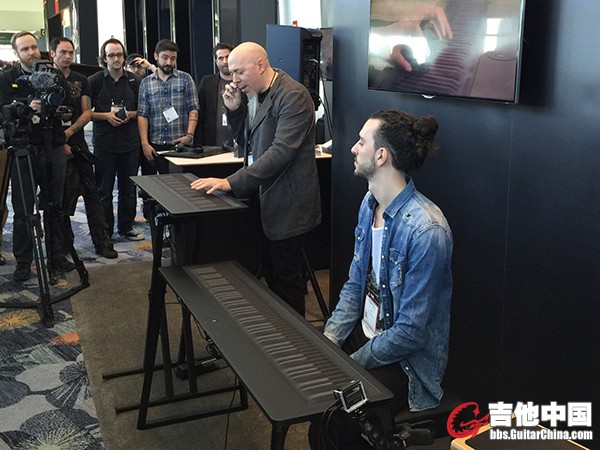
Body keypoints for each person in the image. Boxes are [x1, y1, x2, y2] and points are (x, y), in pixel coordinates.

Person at [307, 110, 453, 449]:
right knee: (313, 387)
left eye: (361, 142)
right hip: (368, 335)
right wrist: (328, 342)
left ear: (381, 155)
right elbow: (355, 284)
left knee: (335, 417)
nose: (353, 148)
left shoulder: (427, 230)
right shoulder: (369, 203)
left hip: (405, 362)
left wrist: (349, 365)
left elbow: (409, 333)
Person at [190, 42, 322, 316]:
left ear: (260, 65)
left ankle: (292, 338)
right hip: (264, 203)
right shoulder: (256, 95)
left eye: (239, 72)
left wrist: (231, 182)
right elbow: (247, 143)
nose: (234, 80)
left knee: (287, 285)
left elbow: (281, 152)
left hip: (288, 208)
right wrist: (235, 110)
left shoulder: (293, 96)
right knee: (270, 280)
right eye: (231, 73)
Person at [0, 31, 74, 281]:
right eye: (25, 49)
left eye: (34, 47)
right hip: (23, 149)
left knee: (55, 205)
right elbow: (4, 111)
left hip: (53, 146)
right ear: (16, 53)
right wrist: (26, 108)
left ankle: (56, 255)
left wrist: (63, 112)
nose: (32, 52)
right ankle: (24, 261)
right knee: (23, 209)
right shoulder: (7, 78)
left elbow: (69, 106)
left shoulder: (53, 73)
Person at [50, 37, 117, 258]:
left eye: (70, 52)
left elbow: (87, 111)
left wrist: (69, 133)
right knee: (62, 199)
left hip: (79, 144)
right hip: (54, 147)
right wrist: (61, 141)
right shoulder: (45, 79)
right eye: (63, 52)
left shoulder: (81, 79)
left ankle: (102, 241)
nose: (67, 56)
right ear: (52, 54)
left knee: (92, 193)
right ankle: (63, 246)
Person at [89, 38, 145, 241]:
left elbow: (144, 110)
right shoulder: (94, 81)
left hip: (129, 143)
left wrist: (130, 114)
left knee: (128, 189)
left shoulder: (135, 81)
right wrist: (106, 116)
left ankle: (126, 227)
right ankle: (106, 231)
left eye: (119, 55)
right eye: (111, 55)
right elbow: (85, 113)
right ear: (104, 58)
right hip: (104, 143)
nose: (116, 59)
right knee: (104, 191)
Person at [137, 39, 199, 175]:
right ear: (155, 56)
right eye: (165, 58)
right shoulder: (146, 83)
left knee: (182, 183)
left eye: (173, 58)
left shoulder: (185, 79)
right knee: (159, 183)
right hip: (156, 144)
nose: (169, 62)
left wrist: (189, 135)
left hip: (181, 144)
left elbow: (193, 108)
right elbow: (142, 114)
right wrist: (145, 143)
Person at [194, 43, 235, 147]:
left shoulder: (243, 82)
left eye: (228, 57)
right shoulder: (207, 82)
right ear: (216, 62)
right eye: (221, 58)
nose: (225, 61)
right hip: (212, 143)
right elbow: (200, 114)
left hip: (238, 143)